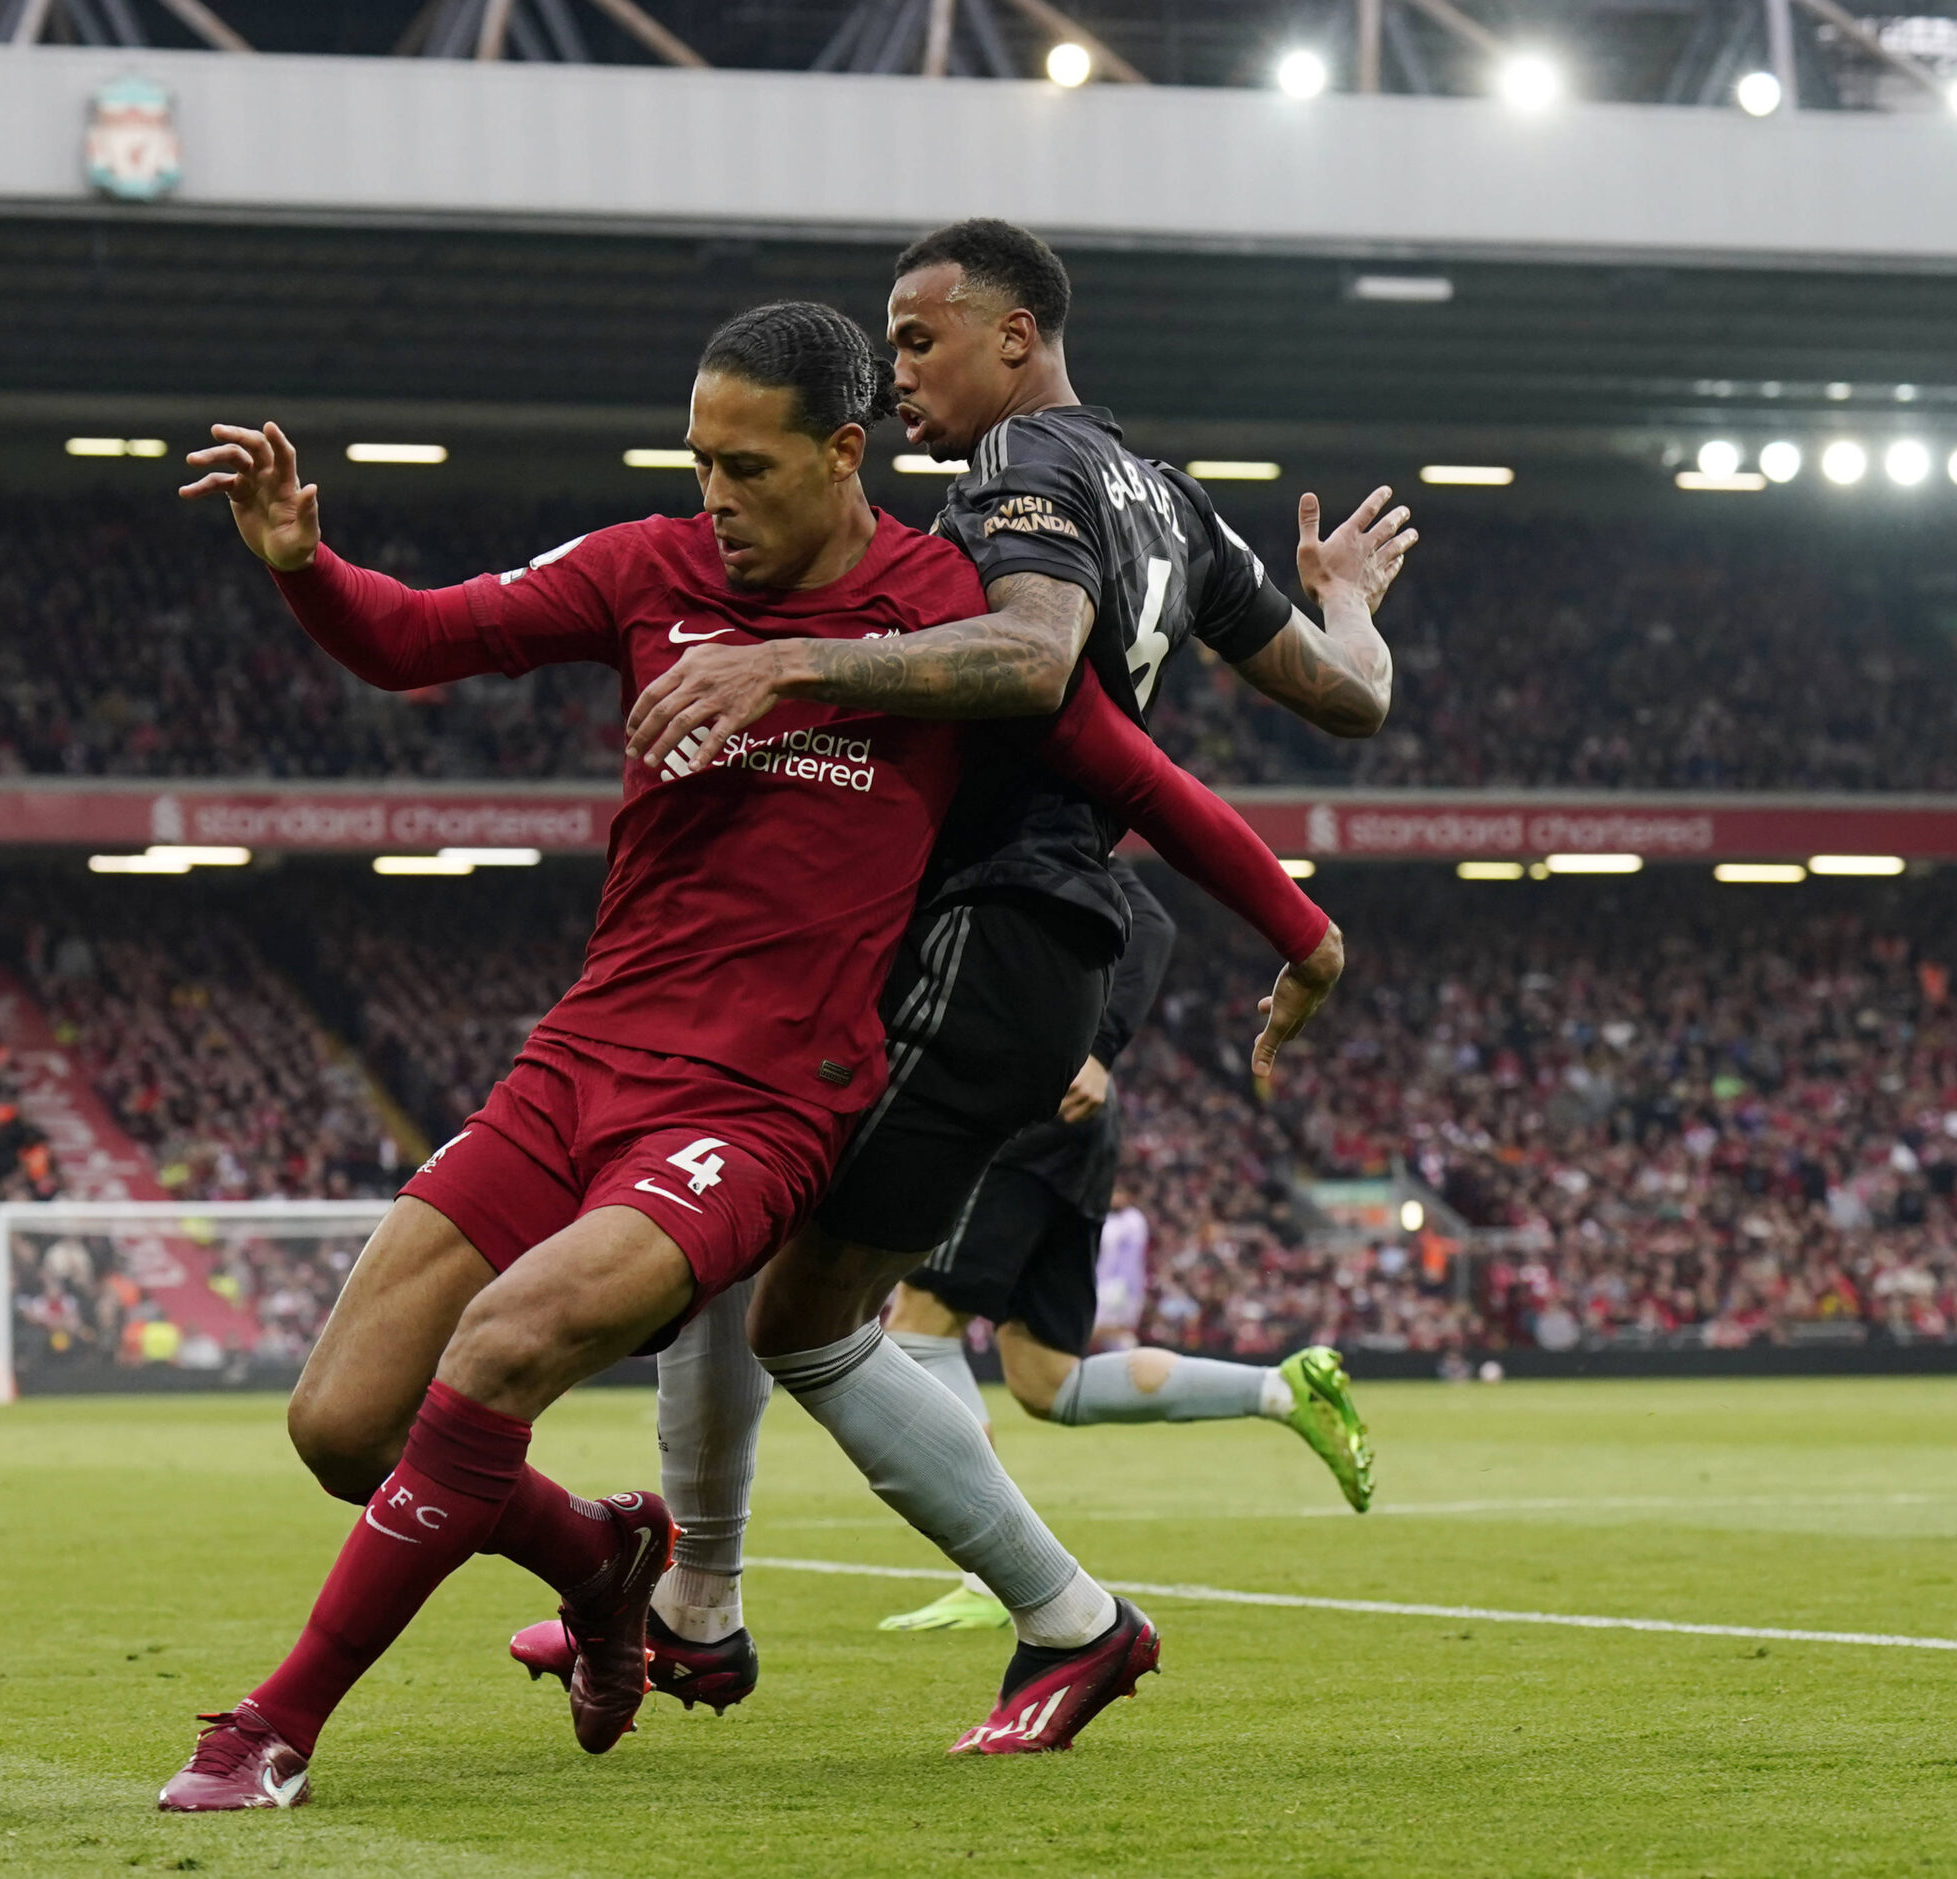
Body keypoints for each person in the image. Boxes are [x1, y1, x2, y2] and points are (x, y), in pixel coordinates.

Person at [156, 301, 1341, 1812]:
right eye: (699, 460)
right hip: (576, 1064)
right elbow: (415, 637)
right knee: (338, 1425)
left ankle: (274, 1722)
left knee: (509, 1344)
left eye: (749, 468)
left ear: (846, 454)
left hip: (762, 1104)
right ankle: (609, 1560)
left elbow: (1147, 781)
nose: (714, 497)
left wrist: (1305, 933)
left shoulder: (952, 616)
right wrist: (302, 565)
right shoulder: (647, 568)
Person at [528, 220, 1408, 1729]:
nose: (895, 368)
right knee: (728, 1240)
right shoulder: (1171, 501)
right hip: (1031, 939)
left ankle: (1061, 1617)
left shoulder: (1021, 471)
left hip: (991, 924)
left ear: (1016, 336)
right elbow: (1350, 702)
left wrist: (784, 664)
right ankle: (700, 1603)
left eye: (917, 336)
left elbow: (1026, 659)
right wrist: (1348, 604)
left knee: (790, 1304)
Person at [872, 857, 1370, 1635]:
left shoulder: (1010, 816)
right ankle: (1282, 1389)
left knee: (917, 1326)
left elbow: (1155, 923)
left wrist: (1098, 1048)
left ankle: (988, 1570)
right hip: (1066, 1122)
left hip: (1020, 1107)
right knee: (1047, 1379)